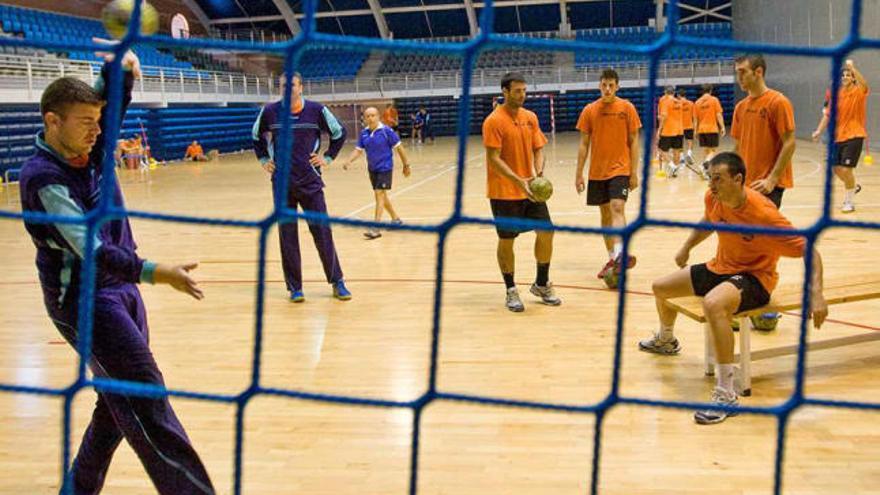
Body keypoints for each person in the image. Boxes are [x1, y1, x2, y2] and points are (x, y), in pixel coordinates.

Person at [18, 47, 215, 494]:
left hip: (122, 292)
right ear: (52, 122)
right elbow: (94, 250)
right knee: (146, 398)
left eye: (97, 121)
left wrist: (121, 69)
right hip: (86, 303)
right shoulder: (42, 180)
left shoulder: (90, 145)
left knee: (115, 405)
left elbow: (112, 104)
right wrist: (155, 272)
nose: (97, 131)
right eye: (85, 123)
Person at [638, 152, 827, 424]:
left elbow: (810, 249)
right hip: (721, 268)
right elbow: (708, 221)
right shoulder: (714, 198)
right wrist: (687, 247)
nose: (711, 185)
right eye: (710, 178)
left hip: (755, 278)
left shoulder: (763, 214)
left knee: (714, 304)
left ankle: (726, 392)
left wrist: (817, 293)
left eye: (718, 179)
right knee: (661, 287)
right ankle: (666, 339)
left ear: (738, 180)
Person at [252, 72, 351, 303]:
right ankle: (295, 288)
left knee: (322, 231)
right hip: (281, 183)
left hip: (310, 181)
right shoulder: (269, 112)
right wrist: (264, 160)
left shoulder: (317, 110)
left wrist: (327, 158)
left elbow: (339, 133)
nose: (287, 89)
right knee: (287, 235)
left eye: (292, 85)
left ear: (301, 87)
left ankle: (337, 281)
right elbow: (256, 136)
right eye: (283, 85)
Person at [482, 72, 561, 312]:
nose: (522, 95)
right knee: (507, 240)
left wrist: (537, 173)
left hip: (531, 190)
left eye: (524, 90)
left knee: (547, 232)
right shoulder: (493, 121)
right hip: (504, 192)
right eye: (517, 91)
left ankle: (541, 283)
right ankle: (511, 289)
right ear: (505, 92)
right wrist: (519, 181)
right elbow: (494, 159)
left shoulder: (530, 117)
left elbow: (539, 149)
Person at [575, 68, 641, 280]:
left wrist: (634, 172)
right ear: (599, 86)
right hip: (597, 172)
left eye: (611, 85)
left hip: (620, 169)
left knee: (617, 207)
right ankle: (612, 258)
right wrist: (579, 174)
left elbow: (634, 142)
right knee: (604, 215)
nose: (607, 89)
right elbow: (584, 145)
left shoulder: (627, 108)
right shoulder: (589, 110)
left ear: (617, 86)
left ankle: (622, 254)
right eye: (604, 85)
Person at [731, 54, 796, 208]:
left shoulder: (778, 102)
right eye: (737, 73)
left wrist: (772, 179)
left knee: (761, 230)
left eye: (743, 72)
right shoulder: (740, 107)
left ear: (758, 72)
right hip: (746, 183)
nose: (739, 77)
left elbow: (790, 143)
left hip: (767, 185)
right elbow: (738, 146)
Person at [342, 106, 412, 239]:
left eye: (373, 115)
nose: (370, 118)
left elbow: (400, 148)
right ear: (364, 119)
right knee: (382, 195)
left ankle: (376, 228)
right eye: (368, 116)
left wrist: (406, 165)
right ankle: (396, 219)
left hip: (385, 168)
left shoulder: (387, 131)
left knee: (379, 194)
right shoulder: (364, 133)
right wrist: (349, 161)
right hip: (372, 169)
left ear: (378, 116)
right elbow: (358, 150)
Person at [811, 59, 870, 213]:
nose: (845, 77)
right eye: (843, 75)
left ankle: (849, 201)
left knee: (846, 169)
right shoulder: (836, 96)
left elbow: (864, 84)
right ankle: (853, 185)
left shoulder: (858, 92)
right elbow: (828, 115)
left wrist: (852, 68)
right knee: (836, 168)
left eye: (848, 75)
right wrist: (818, 131)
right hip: (838, 137)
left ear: (853, 78)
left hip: (855, 134)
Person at [694, 84, 726, 175]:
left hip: (701, 129)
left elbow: (696, 119)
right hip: (712, 129)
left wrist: (695, 131)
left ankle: (706, 171)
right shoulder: (714, 100)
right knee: (712, 151)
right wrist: (722, 126)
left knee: (706, 150)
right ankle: (704, 166)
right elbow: (718, 114)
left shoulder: (697, 102)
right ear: (710, 90)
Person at [657, 86, 684, 177]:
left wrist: (659, 129)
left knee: (661, 150)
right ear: (674, 92)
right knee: (676, 151)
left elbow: (664, 116)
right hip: (679, 130)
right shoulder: (679, 102)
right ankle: (675, 171)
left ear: (665, 92)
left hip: (668, 130)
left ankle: (672, 166)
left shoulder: (665, 101)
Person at [677, 87, 696, 168]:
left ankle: (681, 158)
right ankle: (689, 153)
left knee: (679, 143)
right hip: (689, 125)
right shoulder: (691, 103)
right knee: (690, 141)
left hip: (679, 126)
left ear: (678, 95)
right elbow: (694, 116)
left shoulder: (676, 104)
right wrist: (695, 127)